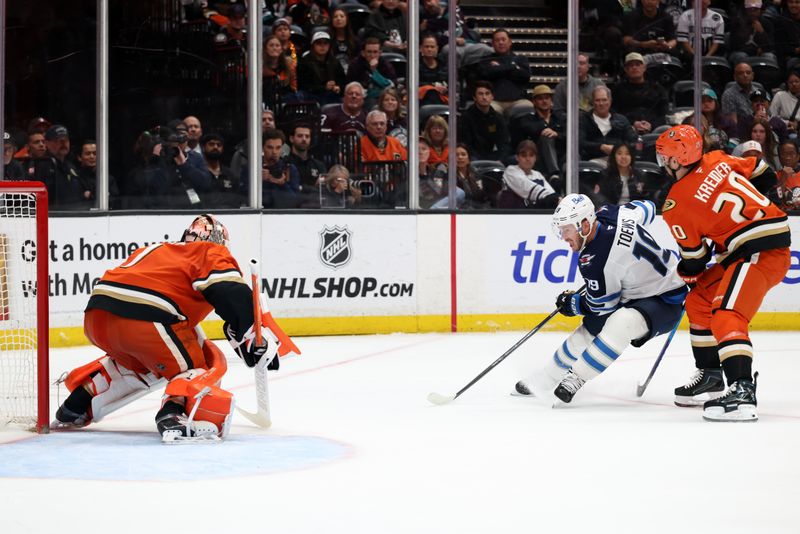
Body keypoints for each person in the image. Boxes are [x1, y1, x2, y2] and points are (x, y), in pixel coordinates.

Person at [52, 215, 281, 441]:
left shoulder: (154, 249)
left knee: (140, 364)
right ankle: (174, 414)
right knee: (197, 365)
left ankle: (78, 403)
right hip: (147, 319)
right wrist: (251, 332)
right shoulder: (210, 251)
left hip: (97, 317)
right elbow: (228, 290)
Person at [654, 124, 791, 422]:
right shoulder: (717, 158)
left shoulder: (675, 204)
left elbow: (695, 258)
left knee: (727, 314)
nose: (664, 163)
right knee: (700, 300)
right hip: (759, 243)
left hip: (758, 252)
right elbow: (764, 171)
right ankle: (712, 375)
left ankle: (742, 390)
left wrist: (686, 272)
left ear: (677, 159)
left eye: (665, 157)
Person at [514, 194, 687, 404]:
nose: (563, 236)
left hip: (666, 298)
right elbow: (648, 207)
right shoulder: (612, 213)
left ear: (585, 224)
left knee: (621, 322)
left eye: (566, 229)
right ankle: (546, 378)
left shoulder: (594, 261)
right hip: (636, 289)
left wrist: (574, 303)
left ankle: (576, 378)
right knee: (591, 327)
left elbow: (601, 306)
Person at [472, 29, 533, 117]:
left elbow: (525, 76)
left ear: (510, 42)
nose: (500, 42)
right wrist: (513, 67)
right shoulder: (485, 60)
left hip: (517, 101)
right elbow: (486, 74)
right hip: (493, 101)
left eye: (503, 39)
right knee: (488, 110)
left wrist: (499, 68)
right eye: (497, 40)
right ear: (492, 44)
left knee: (527, 108)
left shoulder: (521, 59)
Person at [611, 52, 669, 135]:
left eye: (638, 64)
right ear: (626, 70)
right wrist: (633, 123)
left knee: (667, 130)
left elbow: (663, 113)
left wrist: (651, 125)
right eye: (630, 65)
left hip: (654, 128)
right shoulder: (618, 89)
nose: (634, 67)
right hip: (627, 127)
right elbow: (614, 112)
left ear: (644, 68)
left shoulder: (657, 89)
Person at [578, 86, 638, 162]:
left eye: (604, 100)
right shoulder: (583, 119)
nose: (601, 103)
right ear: (593, 102)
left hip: (619, 159)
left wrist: (619, 149)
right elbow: (580, 142)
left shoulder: (621, 119)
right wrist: (601, 147)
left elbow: (633, 141)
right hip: (592, 160)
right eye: (597, 100)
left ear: (610, 101)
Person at [459, 81, 511, 162]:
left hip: (492, 155)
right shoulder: (466, 117)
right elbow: (466, 144)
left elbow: (504, 143)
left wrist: (500, 159)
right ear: (474, 97)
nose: (484, 97)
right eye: (480, 94)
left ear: (492, 97)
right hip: (473, 156)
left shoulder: (498, 118)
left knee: (513, 159)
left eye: (487, 94)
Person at [498, 140, 558, 209]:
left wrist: (557, 200)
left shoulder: (538, 175)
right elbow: (527, 187)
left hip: (532, 216)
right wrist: (554, 199)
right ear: (517, 157)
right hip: (510, 216)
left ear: (535, 158)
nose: (528, 159)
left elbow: (551, 193)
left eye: (531, 155)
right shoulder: (510, 171)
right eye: (524, 155)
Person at [346, 38, 397, 108]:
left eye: (375, 52)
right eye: (369, 52)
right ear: (363, 53)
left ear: (380, 53)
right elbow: (352, 86)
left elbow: (391, 85)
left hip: (384, 97)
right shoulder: (355, 65)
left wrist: (374, 71)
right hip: (363, 98)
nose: (372, 55)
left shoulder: (386, 64)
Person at [297, 30, 345, 105]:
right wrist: (324, 87)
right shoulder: (305, 62)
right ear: (313, 46)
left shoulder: (334, 62)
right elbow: (303, 85)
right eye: (319, 43)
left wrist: (338, 87)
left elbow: (343, 80)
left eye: (325, 43)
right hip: (311, 97)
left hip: (331, 96)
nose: (322, 46)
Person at [201, 133, 241, 208]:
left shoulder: (230, 175)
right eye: (211, 144)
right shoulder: (198, 173)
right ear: (203, 148)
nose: (215, 147)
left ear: (222, 149)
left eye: (219, 145)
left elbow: (236, 201)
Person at [721, 62, 756, 128]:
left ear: (752, 75)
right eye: (741, 73)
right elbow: (732, 123)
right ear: (735, 77)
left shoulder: (759, 92)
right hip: (740, 131)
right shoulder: (728, 94)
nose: (745, 75)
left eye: (748, 73)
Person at [455, 143, 490, 208]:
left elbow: (481, 196)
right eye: (456, 155)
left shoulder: (476, 174)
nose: (460, 157)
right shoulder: (448, 175)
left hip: (477, 209)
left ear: (468, 159)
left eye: (463, 154)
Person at [769, 69, 800, 137]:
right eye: (790, 82)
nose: (794, 84)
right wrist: (787, 123)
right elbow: (772, 116)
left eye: (796, 81)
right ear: (787, 84)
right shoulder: (780, 95)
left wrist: (797, 125)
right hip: (783, 129)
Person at [329, 7, 358, 75]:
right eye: (335, 17)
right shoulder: (327, 41)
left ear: (347, 20)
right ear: (332, 21)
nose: (338, 19)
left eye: (342, 16)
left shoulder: (355, 41)